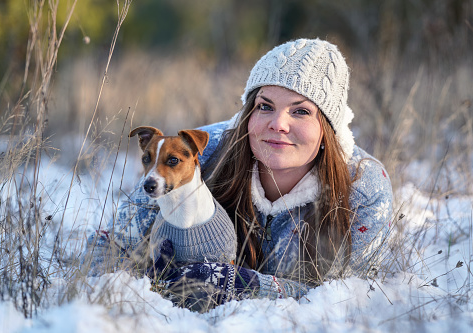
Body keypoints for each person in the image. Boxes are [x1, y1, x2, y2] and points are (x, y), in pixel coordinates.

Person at [82, 38, 393, 310]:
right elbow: (107, 249)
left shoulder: (365, 187)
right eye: (264, 106)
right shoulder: (193, 153)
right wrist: (147, 284)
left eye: (300, 111)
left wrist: (244, 285)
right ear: (248, 112)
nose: (278, 124)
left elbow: (354, 297)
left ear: (328, 127)